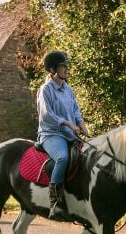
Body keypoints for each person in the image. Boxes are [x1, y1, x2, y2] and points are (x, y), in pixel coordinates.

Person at [37, 50, 89, 221]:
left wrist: (81, 124)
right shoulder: (45, 90)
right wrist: (66, 123)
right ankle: (55, 203)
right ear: (52, 70)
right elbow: (46, 115)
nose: (66, 69)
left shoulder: (68, 89)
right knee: (62, 158)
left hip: (70, 135)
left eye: (67, 66)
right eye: (63, 66)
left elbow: (75, 110)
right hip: (51, 134)